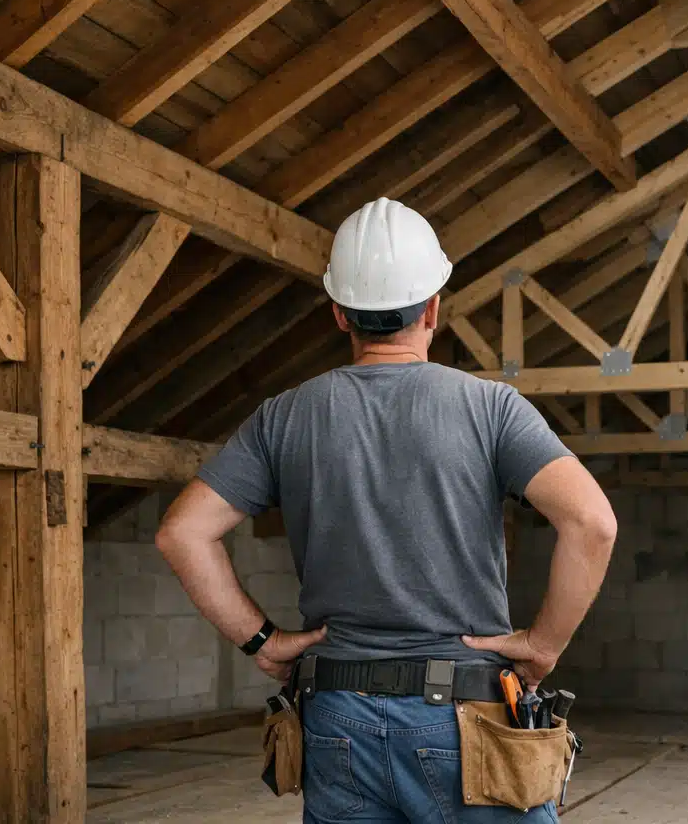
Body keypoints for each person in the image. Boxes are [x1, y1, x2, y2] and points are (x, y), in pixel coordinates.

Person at [155, 197, 618, 822]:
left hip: (334, 717)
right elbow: (592, 523)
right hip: (466, 720)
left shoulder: (285, 416)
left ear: (341, 314)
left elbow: (182, 534)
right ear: (433, 307)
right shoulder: (492, 409)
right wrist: (541, 644)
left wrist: (263, 642)